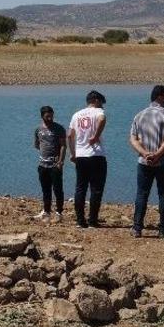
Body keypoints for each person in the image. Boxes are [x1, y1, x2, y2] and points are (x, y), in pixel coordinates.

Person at [128, 85, 164, 239]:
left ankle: (137, 228)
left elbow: (133, 139)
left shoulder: (139, 115)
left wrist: (145, 154)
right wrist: (157, 155)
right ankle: (163, 230)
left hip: (144, 162)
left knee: (142, 194)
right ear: (160, 96)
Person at [67, 90, 107, 228]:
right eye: (101, 102)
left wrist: (72, 153)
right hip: (96, 155)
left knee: (80, 188)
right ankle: (92, 221)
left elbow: (69, 135)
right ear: (95, 100)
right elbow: (102, 119)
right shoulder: (98, 112)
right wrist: (96, 136)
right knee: (96, 189)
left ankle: (80, 221)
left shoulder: (76, 115)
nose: (102, 106)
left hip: (81, 156)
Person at [32, 105, 65, 222]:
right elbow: (36, 145)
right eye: (47, 116)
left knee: (58, 189)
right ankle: (46, 211)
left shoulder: (59, 128)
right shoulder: (38, 129)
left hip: (55, 165)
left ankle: (59, 212)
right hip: (42, 165)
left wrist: (60, 161)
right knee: (45, 189)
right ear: (42, 117)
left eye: (51, 116)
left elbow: (63, 145)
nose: (50, 118)